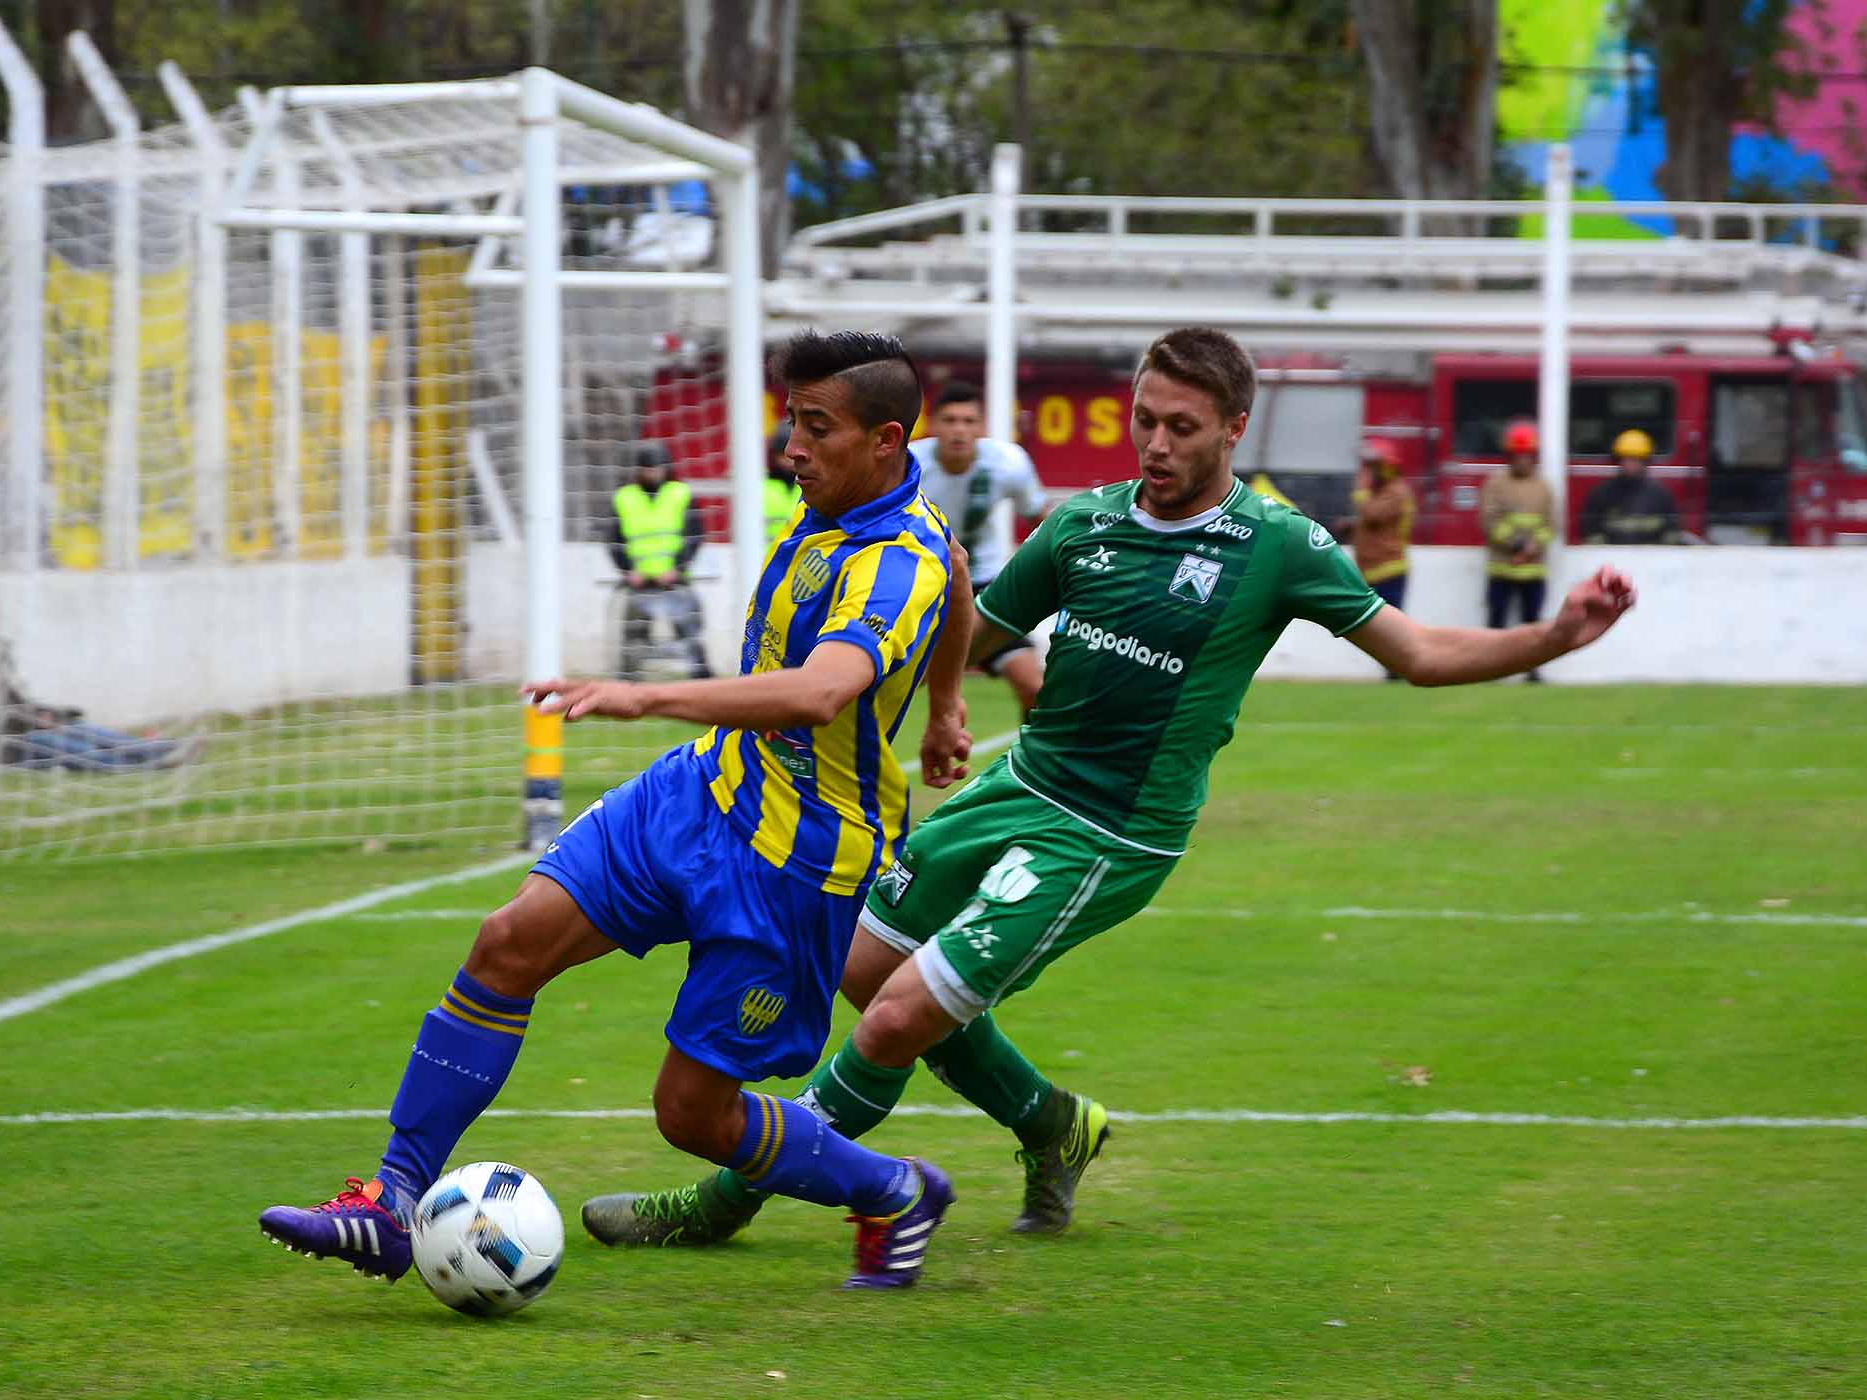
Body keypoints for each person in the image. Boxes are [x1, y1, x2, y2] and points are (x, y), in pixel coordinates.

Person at [583, 327, 1636, 1264]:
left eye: (1182, 425)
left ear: (1234, 426)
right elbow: (970, 614)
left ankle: (721, 1201)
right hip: (1020, 785)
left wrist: (1555, 634)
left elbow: (1419, 651)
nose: (1156, 443)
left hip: (1110, 829)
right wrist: (949, 703)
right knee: (862, 965)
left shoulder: (1280, 545)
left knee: (896, 1016)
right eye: (1144, 419)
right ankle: (1051, 1122)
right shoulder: (1084, 523)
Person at [258, 329, 981, 1291]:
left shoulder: (896, 559)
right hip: (697, 792)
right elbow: (964, 574)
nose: (791, 447)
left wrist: (640, 694)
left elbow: (820, 691)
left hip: (794, 860)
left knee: (693, 1116)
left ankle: (893, 1189)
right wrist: (945, 708)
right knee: (507, 941)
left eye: (816, 428)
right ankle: (393, 1205)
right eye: (789, 423)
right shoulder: (846, 504)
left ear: (886, 440)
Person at [908, 380, 1051, 717]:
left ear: (982, 427)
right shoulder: (908, 466)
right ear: (933, 425)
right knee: (893, 688)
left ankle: (1030, 767)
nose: (959, 430)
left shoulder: (1008, 463)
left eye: (969, 421)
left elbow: (1041, 522)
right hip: (923, 586)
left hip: (983, 587)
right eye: (950, 420)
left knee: (1035, 688)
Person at [0, 595, 193, 772]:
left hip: (26, 727)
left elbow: (17, 699)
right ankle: (152, 762)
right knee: (75, 748)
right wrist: (37, 721)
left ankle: (163, 749)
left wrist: (50, 714)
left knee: (83, 729)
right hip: (6, 745)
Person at [609, 440, 712, 680]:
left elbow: (694, 536)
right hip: (639, 582)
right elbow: (614, 540)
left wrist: (678, 568)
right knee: (633, 635)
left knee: (689, 631)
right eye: (647, 468)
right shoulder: (625, 497)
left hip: (674, 581)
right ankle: (628, 681)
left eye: (655, 468)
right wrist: (628, 570)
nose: (652, 473)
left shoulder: (680, 494)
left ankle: (702, 678)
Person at [1482, 419, 1556, 682]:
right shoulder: (1495, 484)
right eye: (1517, 454)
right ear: (1509, 455)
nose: (1522, 460)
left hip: (1533, 569)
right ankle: (1488, 668)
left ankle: (1532, 669)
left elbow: (1551, 525)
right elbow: (1490, 522)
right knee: (1495, 623)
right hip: (1502, 567)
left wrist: (1535, 545)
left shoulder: (1544, 487)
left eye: (1526, 455)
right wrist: (1516, 544)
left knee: (1533, 624)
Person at [1346, 438, 1415, 679]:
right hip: (1373, 571)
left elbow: (1372, 514)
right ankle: (1392, 670)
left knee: (1392, 629)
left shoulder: (1396, 492)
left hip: (1390, 571)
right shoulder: (1382, 493)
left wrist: (1362, 490)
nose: (1367, 472)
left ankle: (1397, 670)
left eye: (1372, 467)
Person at [1579, 429, 1683, 545]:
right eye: (1626, 459)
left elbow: (1672, 533)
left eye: (1635, 460)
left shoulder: (1661, 496)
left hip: (1651, 559)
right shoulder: (1601, 494)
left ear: (1645, 462)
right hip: (1613, 559)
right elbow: (1591, 532)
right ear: (1618, 460)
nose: (1630, 465)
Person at [762, 422, 802, 541]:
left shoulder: (812, 486)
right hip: (764, 556)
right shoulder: (760, 486)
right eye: (783, 455)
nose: (789, 461)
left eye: (793, 456)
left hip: (801, 556)